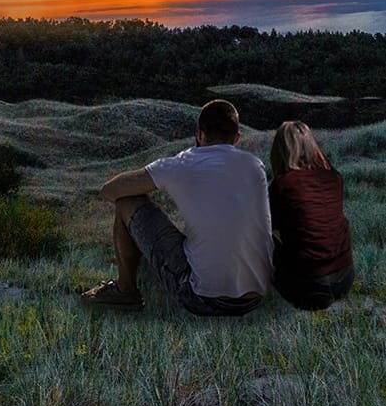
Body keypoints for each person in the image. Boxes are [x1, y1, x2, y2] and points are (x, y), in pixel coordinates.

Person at [82, 99, 272, 316]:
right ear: (236, 139)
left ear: (200, 134)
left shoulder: (184, 163)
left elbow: (110, 190)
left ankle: (126, 291)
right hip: (255, 298)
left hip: (202, 298)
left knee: (127, 201)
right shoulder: (254, 166)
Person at [268, 120, 353, 310]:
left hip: (309, 286)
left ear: (281, 150)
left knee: (262, 238)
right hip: (345, 277)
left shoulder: (283, 184)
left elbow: (268, 225)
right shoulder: (334, 177)